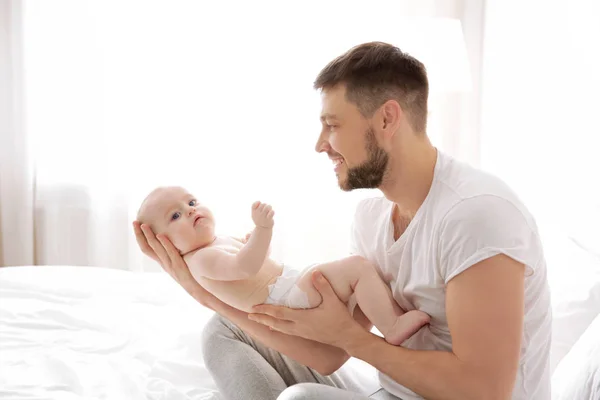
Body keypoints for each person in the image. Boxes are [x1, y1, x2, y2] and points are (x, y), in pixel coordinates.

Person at [134, 41, 552, 400]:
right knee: (223, 329)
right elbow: (329, 353)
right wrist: (206, 294)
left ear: (387, 119)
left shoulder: (475, 214)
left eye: (332, 126)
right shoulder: (372, 217)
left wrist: (352, 338)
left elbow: (485, 391)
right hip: (394, 388)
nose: (320, 145)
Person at [135, 186, 430, 345]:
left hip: (289, 290)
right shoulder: (200, 260)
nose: (190, 211)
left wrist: (254, 240)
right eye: (175, 216)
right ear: (166, 245)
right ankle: (392, 325)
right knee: (357, 268)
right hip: (288, 300)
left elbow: (256, 260)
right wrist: (262, 231)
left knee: (356, 274)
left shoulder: (213, 245)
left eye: (191, 201)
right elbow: (246, 267)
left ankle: (388, 315)